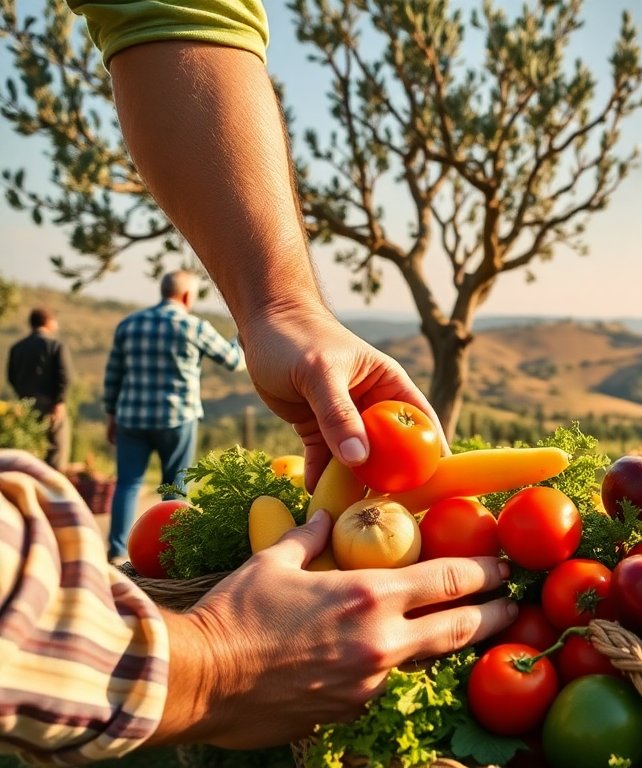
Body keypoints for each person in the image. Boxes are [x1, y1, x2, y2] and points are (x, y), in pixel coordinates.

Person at [0, 5, 514, 762]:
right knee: (170, 488)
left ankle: (122, 563)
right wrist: (212, 662)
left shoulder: (129, 325)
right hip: (174, 412)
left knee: (145, 497)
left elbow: (175, 10)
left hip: (130, 414)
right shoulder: (179, 326)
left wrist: (283, 306)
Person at [105, 270, 247, 564]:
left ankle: (118, 553)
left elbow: (113, 376)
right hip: (177, 419)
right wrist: (241, 336)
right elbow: (234, 362)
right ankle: (169, 555)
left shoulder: (129, 325)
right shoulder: (193, 326)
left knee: (128, 484)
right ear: (186, 296)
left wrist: (111, 415)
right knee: (176, 488)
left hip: (131, 419)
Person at [5, 307, 73, 470]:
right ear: (48, 322)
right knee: (56, 450)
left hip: (26, 405)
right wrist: (59, 402)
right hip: (51, 405)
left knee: (29, 448)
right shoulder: (55, 346)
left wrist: (23, 396)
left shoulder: (17, 348)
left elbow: (11, 377)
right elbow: (65, 376)